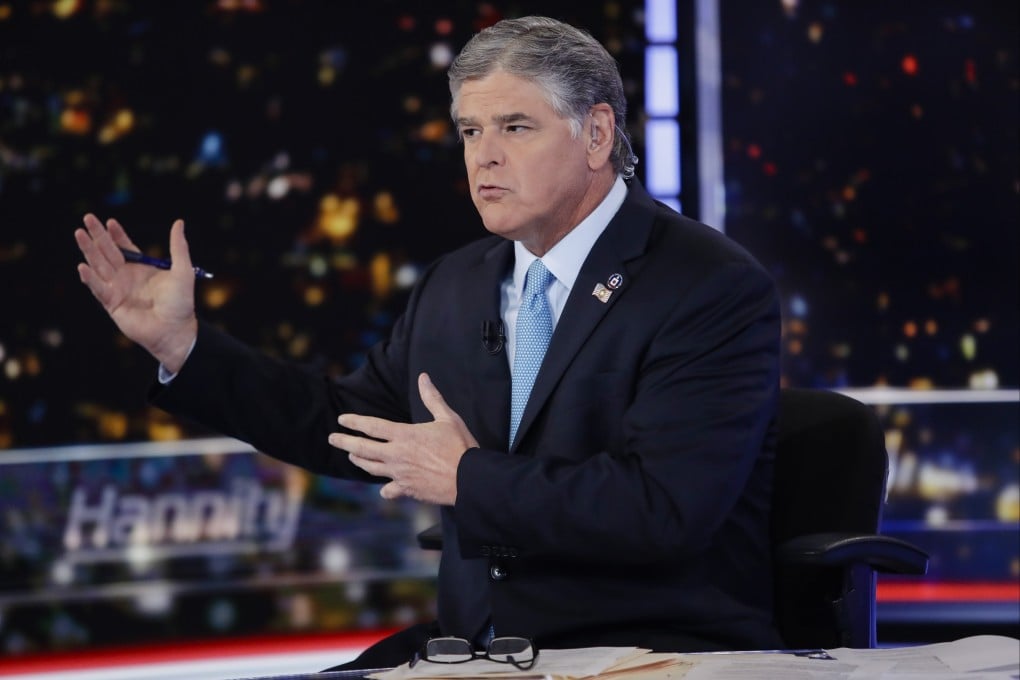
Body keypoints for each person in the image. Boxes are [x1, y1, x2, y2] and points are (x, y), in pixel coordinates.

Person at [74, 15, 784, 670]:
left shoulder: (707, 287)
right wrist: (187, 349)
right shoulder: (460, 281)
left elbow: (663, 510)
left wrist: (466, 478)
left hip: (651, 649)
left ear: (596, 135)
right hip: (482, 650)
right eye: (470, 132)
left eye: (515, 127)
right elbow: (344, 424)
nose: (485, 157)